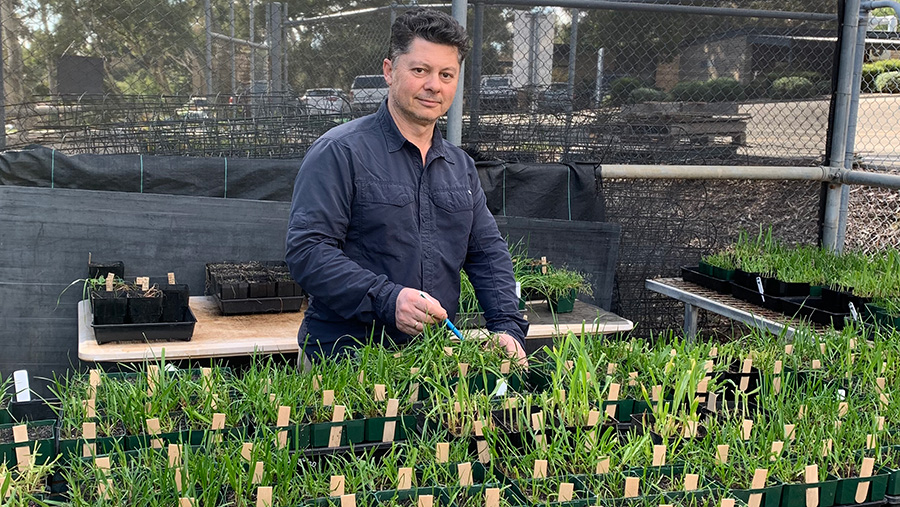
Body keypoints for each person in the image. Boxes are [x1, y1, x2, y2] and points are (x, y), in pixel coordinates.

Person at [285, 8, 528, 365]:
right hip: (346, 358)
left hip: (432, 360)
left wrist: (507, 327)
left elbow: (487, 254)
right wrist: (386, 298)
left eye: (447, 74)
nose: (434, 85)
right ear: (389, 70)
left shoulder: (459, 167)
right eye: (420, 70)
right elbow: (308, 251)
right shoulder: (340, 151)